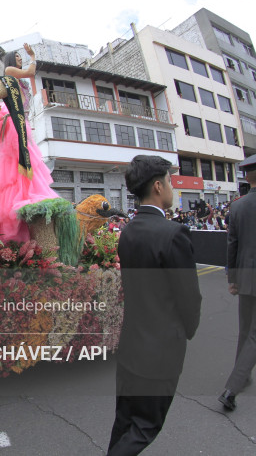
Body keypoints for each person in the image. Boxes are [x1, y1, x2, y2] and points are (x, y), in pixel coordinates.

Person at [108, 155, 202, 455]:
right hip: (159, 350)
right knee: (145, 426)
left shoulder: (128, 231)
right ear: (159, 186)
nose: (173, 188)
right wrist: (186, 330)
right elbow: (189, 297)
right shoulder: (173, 234)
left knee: (124, 421)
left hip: (131, 345)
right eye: (171, 182)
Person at [0, 43, 59, 242]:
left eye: (21, 56)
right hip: (13, 123)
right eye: (17, 56)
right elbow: (30, 71)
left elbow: (30, 73)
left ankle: (26, 195)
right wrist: (32, 56)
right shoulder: (9, 72)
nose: (20, 58)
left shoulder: (16, 78)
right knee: (18, 161)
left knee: (27, 161)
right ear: (10, 60)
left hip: (21, 123)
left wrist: (32, 57)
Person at [218, 154, 256, 411]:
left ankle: (243, 376)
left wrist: (232, 279)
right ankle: (232, 388)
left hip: (245, 276)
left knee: (246, 330)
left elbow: (232, 244)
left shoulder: (238, 206)